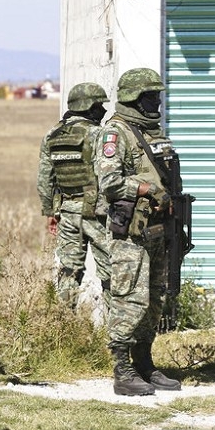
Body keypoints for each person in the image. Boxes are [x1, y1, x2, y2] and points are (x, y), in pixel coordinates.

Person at [95, 68, 183, 396]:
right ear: (134, 99)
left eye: (158, 97)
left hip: (159, 230)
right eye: (150, 97)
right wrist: (146, 188)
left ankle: (144, 362)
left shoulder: (153, 132)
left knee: (155, 300)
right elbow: (109, 181)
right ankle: (122, 370)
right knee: (130, 298)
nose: (157, 103)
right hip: (131, 232)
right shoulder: (115, 133)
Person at [36, 82, 112, 312]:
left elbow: (44, 181)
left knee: (68, 271)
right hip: (97, 213)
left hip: (67, 213)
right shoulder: (99, 134)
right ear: (89, 106)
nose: (103, 110)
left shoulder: (53, 134)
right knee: (110, 273)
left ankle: (62, 326)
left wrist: (50, 213)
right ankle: (114, 335)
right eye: (99, 105)